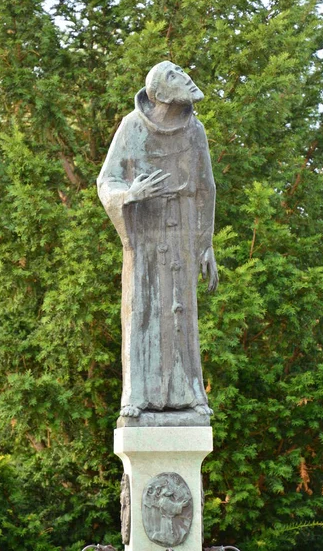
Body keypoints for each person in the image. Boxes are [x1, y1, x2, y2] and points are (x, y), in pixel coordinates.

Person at [97, 61, 218, 419]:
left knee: (181, 312)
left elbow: (206, 187)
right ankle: (137, 395)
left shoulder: (195, 131)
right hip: (146, 232)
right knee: (144, 310)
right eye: (174, 74)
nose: (186, 76)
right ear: (160, 93)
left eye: (182, 70)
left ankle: (189, 392)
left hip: (180, 231)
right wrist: (129, 195)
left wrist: (204, 242)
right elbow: (108, 181)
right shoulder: (132, 127)